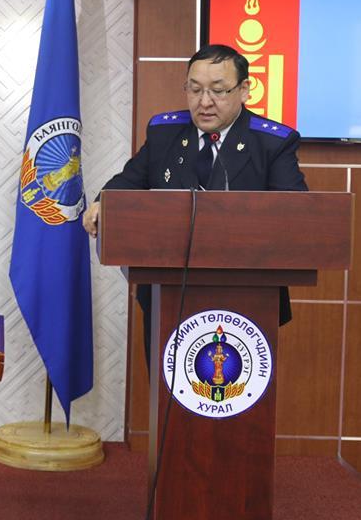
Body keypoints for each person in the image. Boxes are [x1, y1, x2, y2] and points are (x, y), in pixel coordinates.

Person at [81, 44, 308, 367]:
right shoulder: (165, 133)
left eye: (218, 91)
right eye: (195, 89)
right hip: (167, 293)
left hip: (248, 297)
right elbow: (129, 181)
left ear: (244, 90)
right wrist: (103, 202)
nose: (204, 102)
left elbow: (296, 216)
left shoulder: (273, 142)